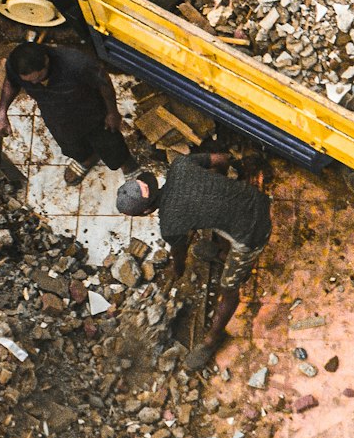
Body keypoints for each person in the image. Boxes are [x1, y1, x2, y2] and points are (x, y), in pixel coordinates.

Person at [116, 152, 272, 372]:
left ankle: (212, 341)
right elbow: (222, 159)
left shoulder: (170, 224)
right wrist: (219, 189)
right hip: (254, 198)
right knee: (214, 221)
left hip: (253, 234)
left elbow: (180, 253)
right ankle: (220, 252)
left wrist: (177, 269)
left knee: (228, 290)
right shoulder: (180, 165)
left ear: (146, 211)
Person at [0, 41, 136, 185]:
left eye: (38, 78)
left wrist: (112, 112)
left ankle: (128, 167)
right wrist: (2, 111)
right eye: (29, 82)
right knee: (72, 145)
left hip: (91, 113)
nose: (35, 84)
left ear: (46, 61)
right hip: (57, 117)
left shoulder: (76, 63)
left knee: (110, 144)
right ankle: (88, 158)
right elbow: (11, 82)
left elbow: (104, 83)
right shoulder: (15, 65)